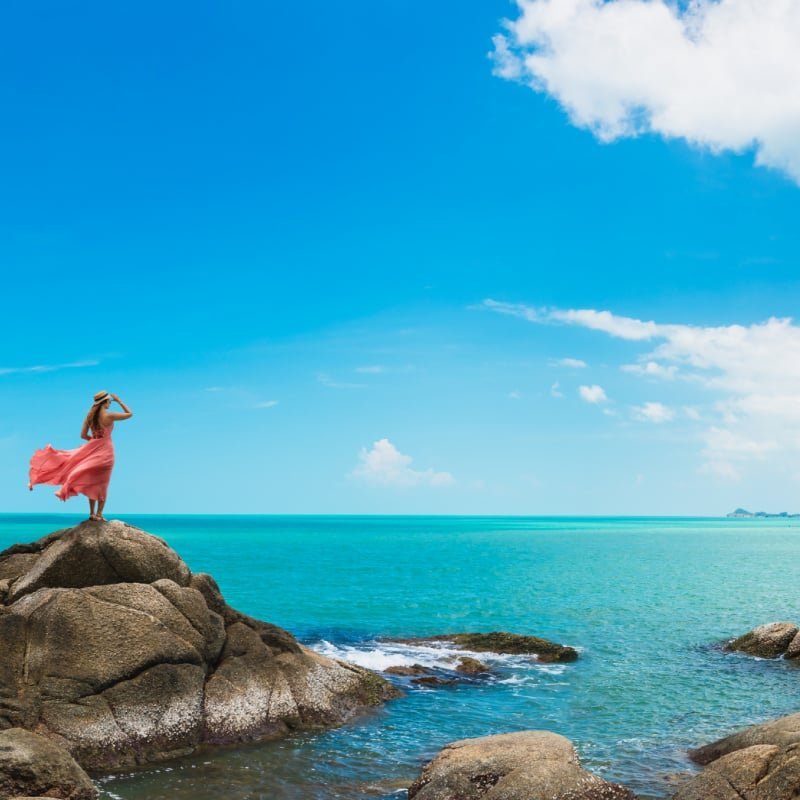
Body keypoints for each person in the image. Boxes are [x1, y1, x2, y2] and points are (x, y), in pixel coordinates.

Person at [28, 391, 133, 521]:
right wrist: (119, 400)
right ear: (104, 402)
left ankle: (91, 513)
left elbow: (83, 435)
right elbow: (130, 414)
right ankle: (99, 514)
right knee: (102, 483)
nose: (110, 403)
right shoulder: (109, 416)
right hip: (106, 452)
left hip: (94, 450)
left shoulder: (89, 417)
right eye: (109, 401)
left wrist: (94, 441)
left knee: (92, 482)